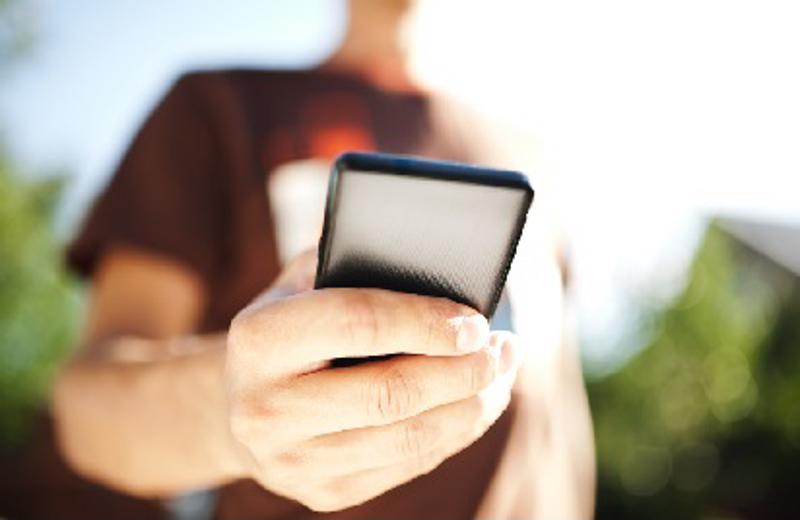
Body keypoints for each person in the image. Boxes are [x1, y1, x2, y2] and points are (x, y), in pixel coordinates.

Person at [51, 1, 595, 518]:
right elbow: (88, 412)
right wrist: (229, 414)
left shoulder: (535, 158)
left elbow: (559, 410)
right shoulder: (220, 105)